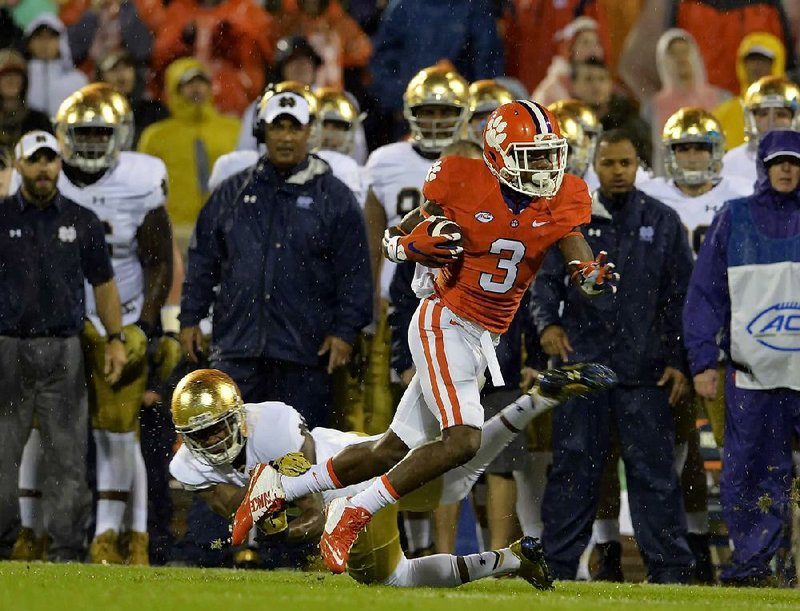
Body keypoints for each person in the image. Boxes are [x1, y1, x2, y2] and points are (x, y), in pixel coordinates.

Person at [235, 100, 619, 575]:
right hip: (445, 321)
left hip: (482, 340)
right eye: (532, 155)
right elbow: (395, 238)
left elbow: (577, 253)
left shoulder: (563, 198)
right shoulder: (463, 182)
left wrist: (590, 277)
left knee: (392, 448)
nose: (545, 166)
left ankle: (279, 487)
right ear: (498, 156)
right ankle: (353, 512)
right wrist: (412, 246)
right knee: (462, 441)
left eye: (548, 154)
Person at [171, 365, 616, 586]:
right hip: (347, 483)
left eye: (216, 429)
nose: (210, 442)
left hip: (347, 479)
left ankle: (513, 558)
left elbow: (312, 503)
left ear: (239, 418)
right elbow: (234, 513)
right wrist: (266, 523)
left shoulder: (272, 423)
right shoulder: (188, 466)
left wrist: (285, 527)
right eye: (199, 434)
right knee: (452, 485)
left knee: (401, 566)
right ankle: (516, 557)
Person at [14, 84, 173, 565]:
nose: (88, 142)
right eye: (80, 133)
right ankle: (31, 531)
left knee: (117, 431)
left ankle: (117, 535)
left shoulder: (140, 178)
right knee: (41, 430)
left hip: (117, 324)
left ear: (120, 133)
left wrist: (143, 325)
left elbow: (159, 259)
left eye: (99, 132)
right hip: (55, 325)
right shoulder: (44, 176)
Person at [531, 129, 696, 584]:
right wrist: (548, 324)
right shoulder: (571, 219)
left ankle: (670, 573)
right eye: (609, 163)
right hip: (583, 369)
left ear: (639, 165)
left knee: (653, 475)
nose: (618, 171)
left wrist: (679, 361)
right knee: (572, 470)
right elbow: (543, 282)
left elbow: (680, 297)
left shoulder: (663, 221)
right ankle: (557, 568)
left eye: (625, 163)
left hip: (646, 372)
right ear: (595, 165)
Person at [179, 89, 371, 430]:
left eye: (293, 128)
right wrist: (190, 317)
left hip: (305, 353)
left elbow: (354, 271)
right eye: (276, 127)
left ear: (309, 131)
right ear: (261, 132)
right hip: (237, 347)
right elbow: (203, 259)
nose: (285, 137)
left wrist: (345, 331)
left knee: (296, 457)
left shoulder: (336, 198)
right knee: (233, 454)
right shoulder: (232, 192)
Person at [0, 130, 126, 562]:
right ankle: (2, 547)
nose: (43, 168)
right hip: (8, 351)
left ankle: (67, 552)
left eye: (50, 160)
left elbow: (104, 284)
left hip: (64, 350)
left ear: (59, 164)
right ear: (18, 165)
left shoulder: (81, 219)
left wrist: (115, 339)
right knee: (1, 455)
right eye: (34, 160)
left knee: (69, 458)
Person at [683, 129, 800, 587]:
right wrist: (703, 361)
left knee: (757, 474)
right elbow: (704, 295)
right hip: (753, 375)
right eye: (779, 162)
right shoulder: (734, 218)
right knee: (750, 475)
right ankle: (753, 566)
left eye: (794, 162)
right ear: (763, 167)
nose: (787, 169)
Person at [137, 58, 240, 251]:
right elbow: (143, 187)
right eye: (187, 84)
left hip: (226, 227)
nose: (196, 89)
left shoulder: (234, 128)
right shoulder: (156, 136)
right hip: (176, 230)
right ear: (173, 91)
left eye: (201, 82)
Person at [642, 29, 730, 177]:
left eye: (685, 51)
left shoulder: (722, 99)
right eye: (673, 54)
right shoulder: (652, 108)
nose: (680, 59)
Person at [570, 57, 652, 168]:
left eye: (602, 79)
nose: (596, 85)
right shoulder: (568, 123)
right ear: (574, 86)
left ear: (610, 84)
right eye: (588, 79)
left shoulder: (630, 122)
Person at [720, 75, 800, 188]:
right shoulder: (730, 163)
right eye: (763, 114)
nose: (771, 122)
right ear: (750, 118)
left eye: (781, 114)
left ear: (796, 118)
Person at [96, 49, 168, 148]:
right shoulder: (93, 114)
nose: (121, 75)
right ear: (100, 77)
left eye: (126, 67)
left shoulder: (155, 112)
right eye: (114, 69)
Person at [23, 14, 88, 118]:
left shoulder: (78, 80)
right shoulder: (21, 77)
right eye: (39, 37)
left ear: (61, 41)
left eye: (50, 37)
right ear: (29, 43)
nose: (45, 43)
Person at [0, 49, 52, 149]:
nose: (11, 80)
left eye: (16, 75)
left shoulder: (39, 121)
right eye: (5, 75)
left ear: (24, 81)